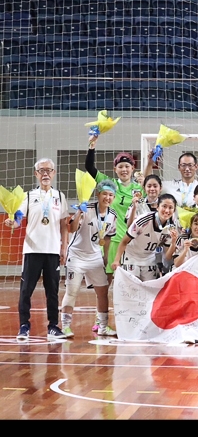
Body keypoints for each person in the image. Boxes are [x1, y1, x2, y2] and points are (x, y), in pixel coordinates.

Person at [5, 158, 69, 341]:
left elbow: (64, 224)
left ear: (54, 173)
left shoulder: (60, 196)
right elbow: (18, 218)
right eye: (42, 170)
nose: (45, 174)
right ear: (36, 174)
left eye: (49, 170)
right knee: (26, 290)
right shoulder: (28, 195)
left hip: (53, 251)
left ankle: (53, 327)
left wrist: (64, 247)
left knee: (53, 291)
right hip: (32, 250)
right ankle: (24, 326)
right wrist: (13, 223)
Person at [62, 180, 118, 337]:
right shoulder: (87, 209)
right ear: (98, 194)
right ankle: (65, 326)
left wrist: (105, 256)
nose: (107, 197)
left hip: (95, 257)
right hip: (77, 255)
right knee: (72, 291)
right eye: (105, 194)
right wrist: (79, 211)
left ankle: (103, 326)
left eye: (111, 195)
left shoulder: (112, 216)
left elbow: (107, 239)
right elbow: (71, 228)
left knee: (102, 291)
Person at [85, 136, 144, 279]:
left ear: (133, 168)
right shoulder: (109, 184)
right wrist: (92, 145)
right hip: (111, 239)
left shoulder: (140, 188)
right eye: (120, 166)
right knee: (107, 280)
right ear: (115, 169)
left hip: (131, 240)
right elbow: (89, 168)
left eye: (127, 166)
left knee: (131, 281)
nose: (124, 169)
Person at [111, 193, 179, 281]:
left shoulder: (171, 227)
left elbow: (167, 256)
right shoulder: (143, 220)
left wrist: (173, 242)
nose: (167, 210)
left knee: (149, 290)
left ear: (174, 210)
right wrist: (117, 260)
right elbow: (124, 241)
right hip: (132, 257)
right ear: (157, 207)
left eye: (170, 208)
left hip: (149, 259)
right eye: (164, 206)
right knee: (131, 289)